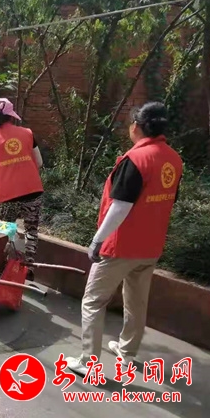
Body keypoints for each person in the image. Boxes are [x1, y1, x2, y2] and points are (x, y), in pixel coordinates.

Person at [65, 101, 183, 375]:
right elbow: (169, 200)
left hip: (121, 246)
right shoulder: (174, 160)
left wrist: (97, 240)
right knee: (136, 302)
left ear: (137, 127)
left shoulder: (137, 160)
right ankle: (127, 353)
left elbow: (120, 207)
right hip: (151, 246)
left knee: (93, 301)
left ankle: (88, 364)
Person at [0, 98, 44, 270]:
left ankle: (4, 266)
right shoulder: (28, 134)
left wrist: (1, 177)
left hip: (6, 196)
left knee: (5, 230)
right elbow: (39, 162)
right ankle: (29, 266)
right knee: (31, 230)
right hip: (33, 190)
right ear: (12, 117)